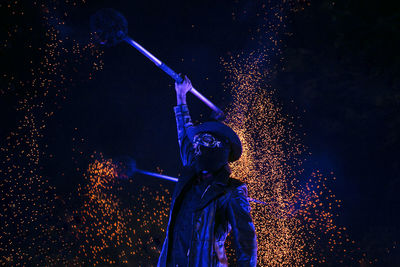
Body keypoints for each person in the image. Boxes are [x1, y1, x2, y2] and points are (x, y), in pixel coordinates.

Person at [157, 76, 257, 267]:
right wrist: (181, 97)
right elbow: (184, 137)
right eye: (198, 142)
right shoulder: (191, 174)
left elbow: (246, 241)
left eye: (205, 141)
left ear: (221, 149)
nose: (198, 146)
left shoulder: (232, 191)